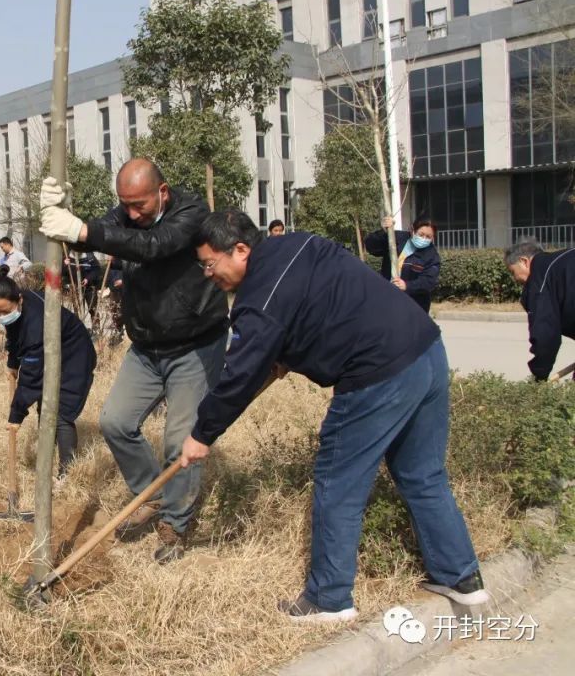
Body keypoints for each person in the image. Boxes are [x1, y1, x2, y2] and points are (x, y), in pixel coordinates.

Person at [182, 210, 487, 623]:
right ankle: (461, 577)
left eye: (209, 264)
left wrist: (202, 433)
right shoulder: (300, 242)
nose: (208, 275)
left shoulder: (258, 298)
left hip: (378, 373)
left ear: (239, 250)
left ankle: (329, 598)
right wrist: (285, 353)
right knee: (424, 474)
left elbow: (238, 376)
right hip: (426, 350)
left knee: (338, 482)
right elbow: (324, 303)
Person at [39, 157, 229, 563]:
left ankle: (176, 524)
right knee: (115, 422)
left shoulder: (192, 214)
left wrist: (83, 230)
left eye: (139, 205)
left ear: (162, 192)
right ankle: (151, 494)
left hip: (195, 346)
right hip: (147, 347)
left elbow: (153, 247)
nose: (131, 214)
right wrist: (66, 217)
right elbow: (100, 234)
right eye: (124, 205)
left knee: (180, 441)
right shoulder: (128, 214)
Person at [0, 276, 96, 480]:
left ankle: (67, 473)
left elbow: (32, 379)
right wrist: (13, 362)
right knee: (45, 408)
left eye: (5, 312)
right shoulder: (19, 308)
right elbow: (15, 334)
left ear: (19, 300)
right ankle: (48, 455)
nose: (1, 317)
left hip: (74, 354)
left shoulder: (36, 324)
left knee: (61, 412)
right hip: (51, 347)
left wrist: (16, 415)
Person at [504, 239, 575, 380]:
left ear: (524, 261)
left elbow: (546, 335)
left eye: (513, 271)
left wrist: (539, 375)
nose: (515, 278)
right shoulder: (562, 261)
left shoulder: (540, 278)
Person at [365, 216, 441, 313]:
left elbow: (428, 281)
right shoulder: (395, 238)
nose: (424, 239)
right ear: (412, 230)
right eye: (421, 234)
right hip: (387, 300)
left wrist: (407, 286)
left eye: (428, 237)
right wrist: (384, 232)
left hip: (414, 306)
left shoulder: (432, 256)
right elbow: (371, 246)